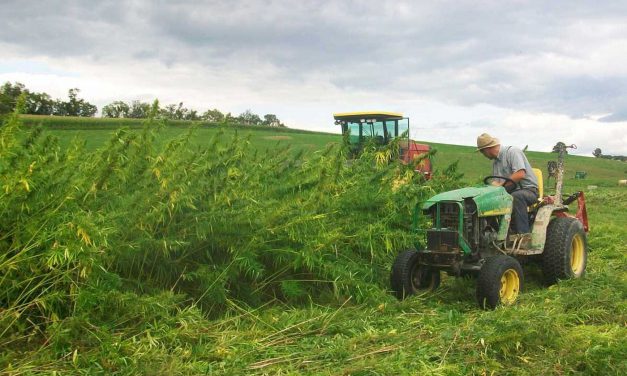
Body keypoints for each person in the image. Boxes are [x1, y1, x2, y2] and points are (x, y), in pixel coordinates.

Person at [476, 133, 539, 234]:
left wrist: (500, 186)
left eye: (482, 152)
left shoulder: (513, 152)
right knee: (488, 199)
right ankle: (494, 234)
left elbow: (520, 174)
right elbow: (496, 181)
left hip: (528, 191)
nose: (483, 155)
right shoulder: (495, 163)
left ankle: (523, 235)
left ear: (487, 149)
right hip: (509, 191)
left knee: (517, 196)